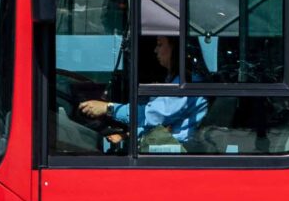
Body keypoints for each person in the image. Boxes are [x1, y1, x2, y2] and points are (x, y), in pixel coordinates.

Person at [76, 35, 211, 151]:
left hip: (175, 150)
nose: (155, 50)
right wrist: (129, 136)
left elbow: (152, 117)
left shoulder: (186, 82)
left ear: (176, 48)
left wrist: (108, 108)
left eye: (160, 44)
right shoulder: (177, 79)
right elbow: (160, 124)